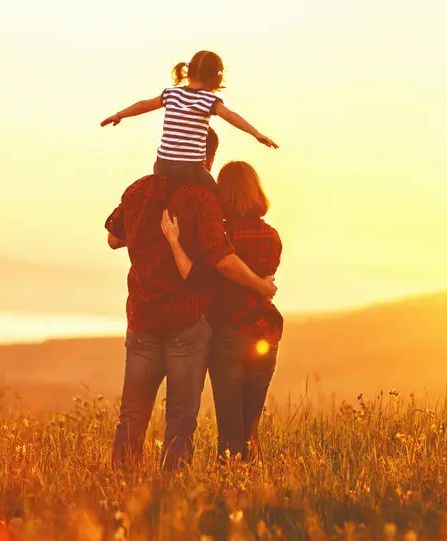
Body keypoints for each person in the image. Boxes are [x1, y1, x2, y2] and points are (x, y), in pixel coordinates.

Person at [105, 129, 277, 471]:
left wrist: (150, 234)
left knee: (132, 414)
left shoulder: (137, 190)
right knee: (181, 417)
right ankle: (172, 488)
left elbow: (113, 238)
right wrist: (259, 284)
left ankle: (121, 484)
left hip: (142, 318)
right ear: (206, 157)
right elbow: (220, 256)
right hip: (186, 321)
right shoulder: (202, 198)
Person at [161, 161, 282, 462]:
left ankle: (229, 492)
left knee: (230, 427)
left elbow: (198, 277)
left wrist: (175, 242)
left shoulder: (218, 239)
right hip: (264, 334)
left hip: (227, 335)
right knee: (250, 426)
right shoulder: (272, 237)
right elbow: (267, 277)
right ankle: (254, 491)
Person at [100, 50, 278, 190]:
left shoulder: (171, 94)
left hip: (162, 166)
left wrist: (119, 115)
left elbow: (143, 105)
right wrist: (256, 133)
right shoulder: (208, 100)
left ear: (189, 72)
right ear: (216, 78)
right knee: (214, 197)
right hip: (190, 169)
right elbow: (231, 116)